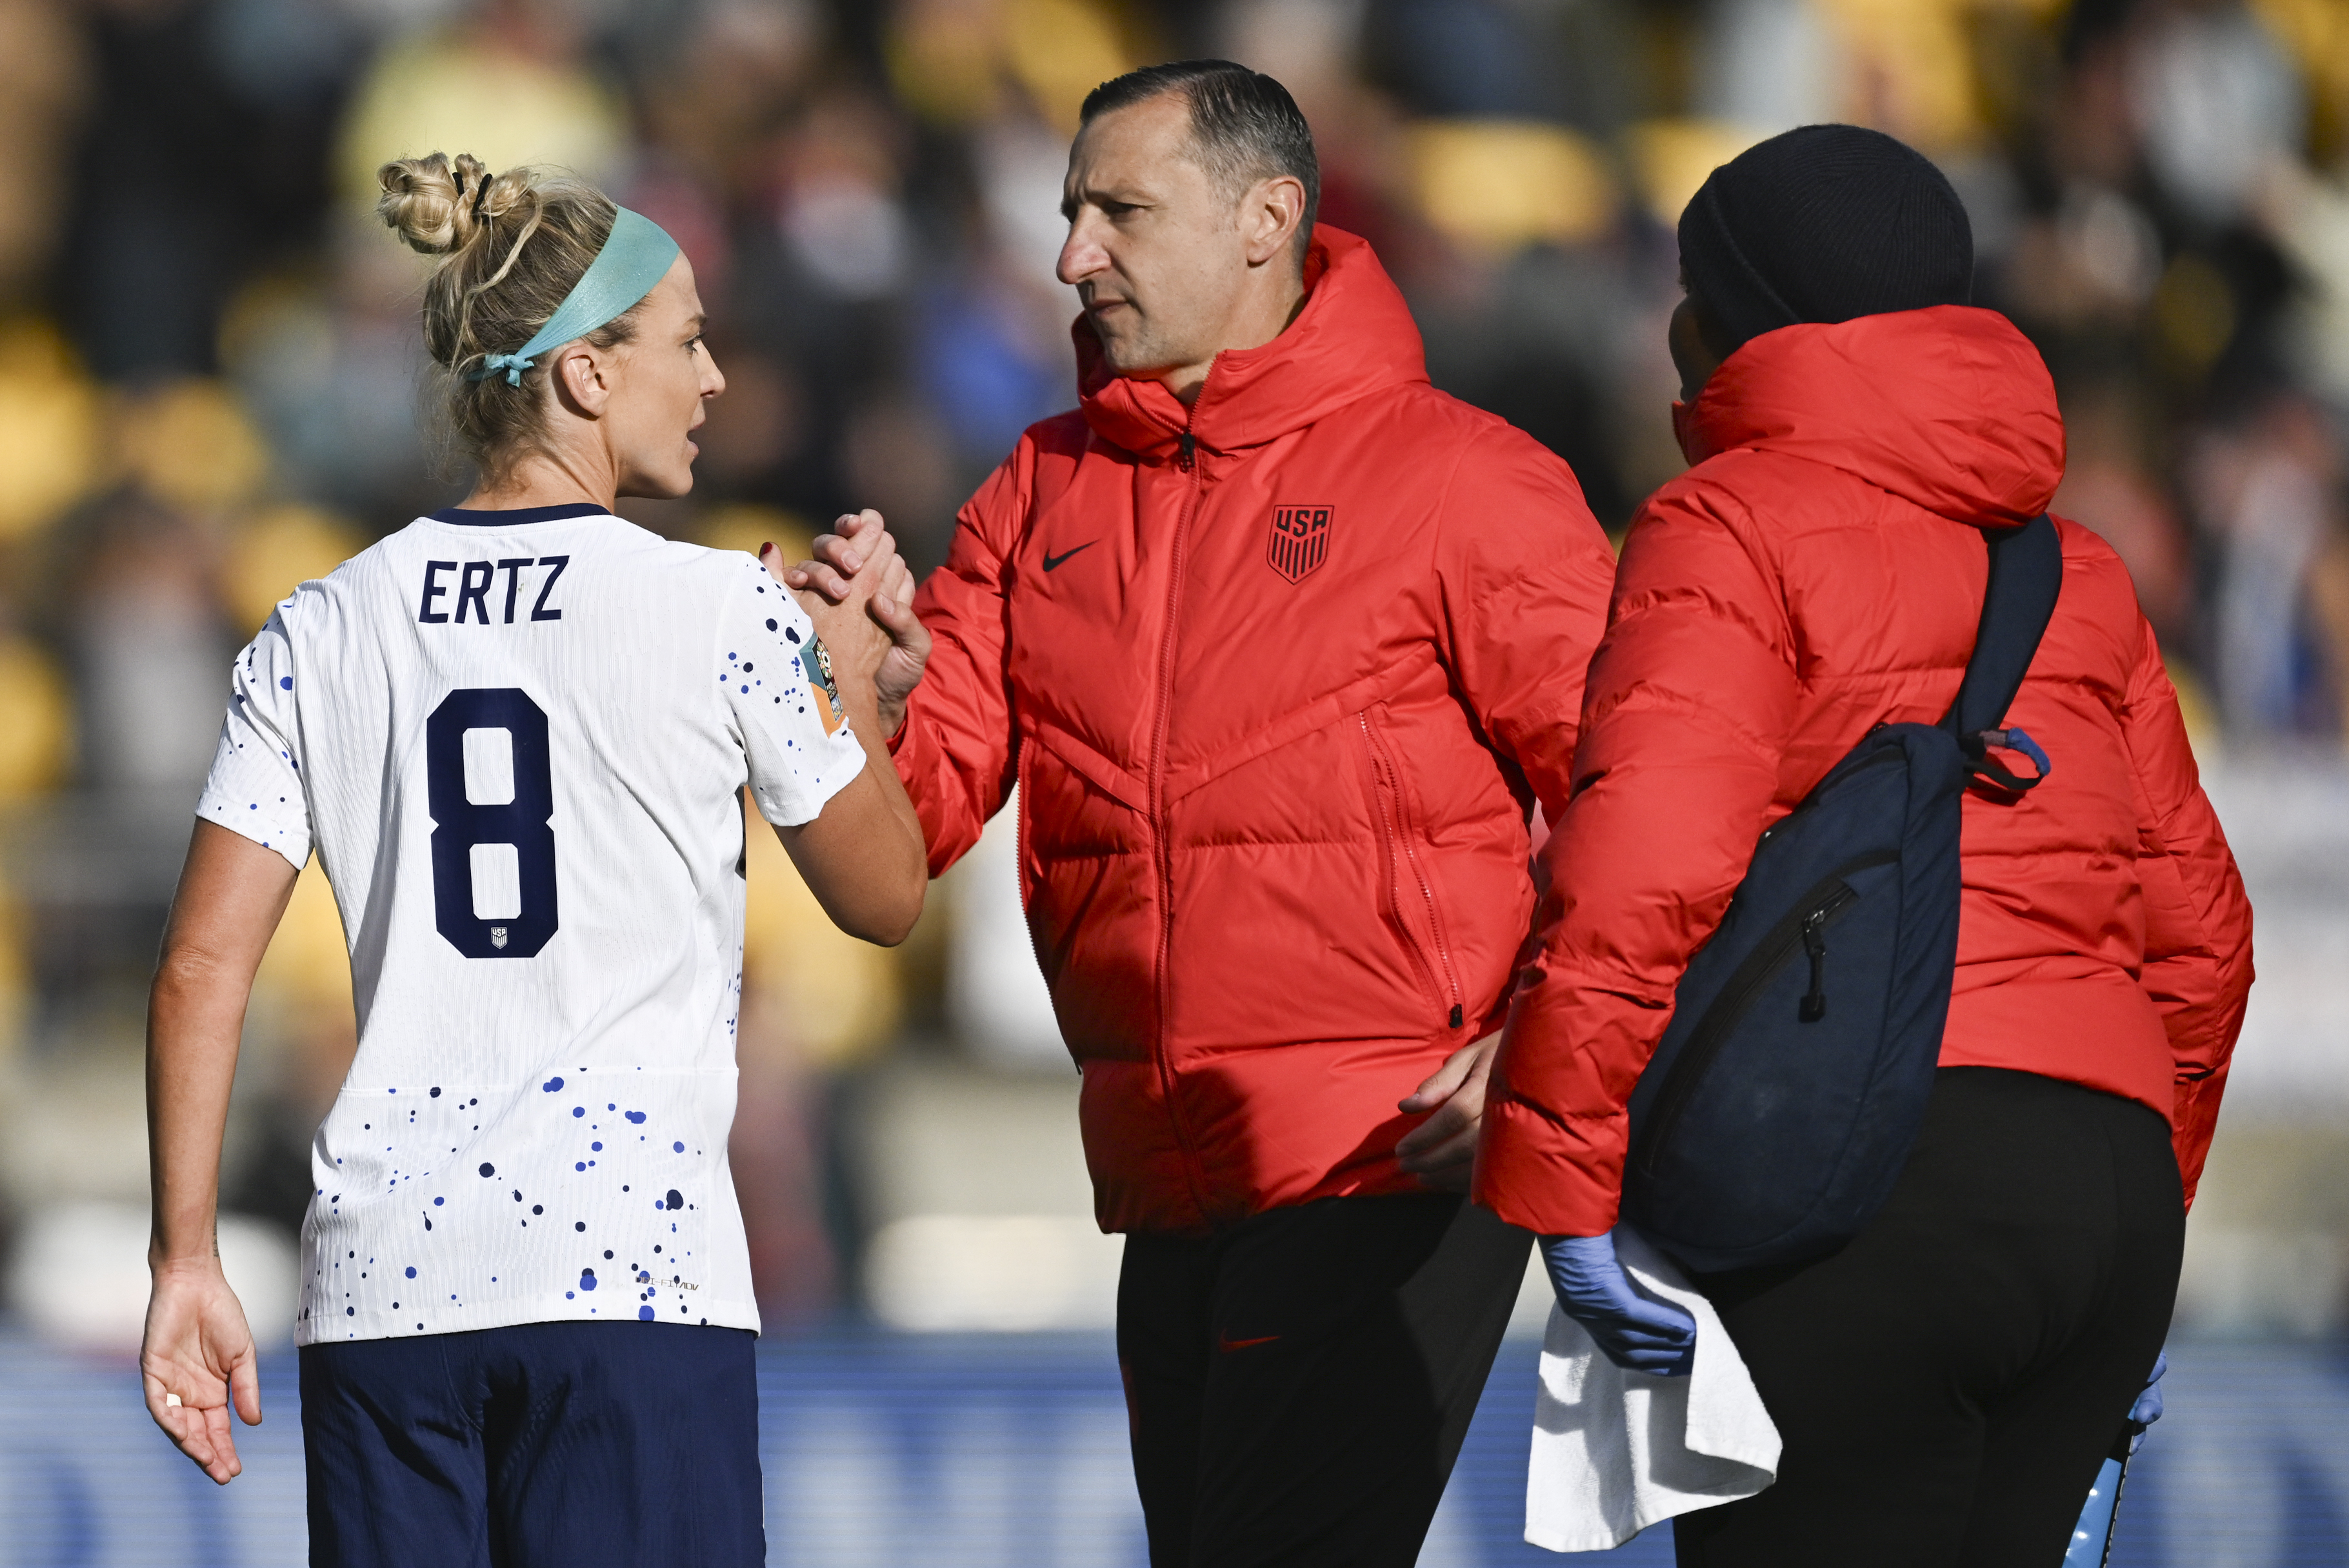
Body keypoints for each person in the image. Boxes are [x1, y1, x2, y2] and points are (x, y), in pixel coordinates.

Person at [788, 59, 1617, 1565]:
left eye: (1120, 210)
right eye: (1066, 212)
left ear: (1267, 219)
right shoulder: (1035, 492)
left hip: (1384, 1158)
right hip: (1165, 1179)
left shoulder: (1465, 483)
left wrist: (1552, 1051)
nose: (1070, 254)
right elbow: (900, 854)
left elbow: (1644, 808)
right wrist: (848, 688)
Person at [1474, 124, 2255, 1565]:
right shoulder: (2076, 568)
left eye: (1689, 291)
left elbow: (1642, 871)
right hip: (2105, 1205)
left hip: (1857, 1186)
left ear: (1739, 318)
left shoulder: (1725, 521)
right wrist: (2139, 1174)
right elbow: (2204, 933)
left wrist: (1565, 1187)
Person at [138, 152, 926, 1563]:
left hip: (387, 1297)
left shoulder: (321, 622)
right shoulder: (725, 609)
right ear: (581, 373)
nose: (716, 381)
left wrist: (185, 1256)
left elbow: (202, 965)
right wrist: (854, 678)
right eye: (687, 342)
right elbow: (884, 896)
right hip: (630, 1286)